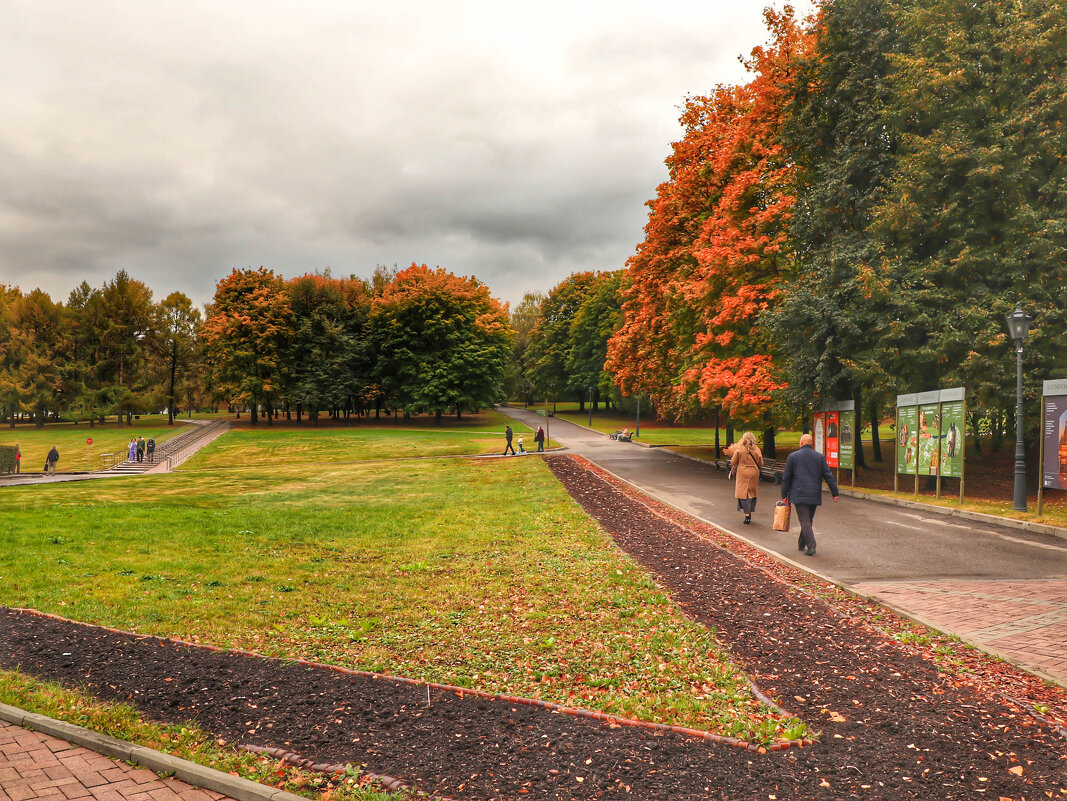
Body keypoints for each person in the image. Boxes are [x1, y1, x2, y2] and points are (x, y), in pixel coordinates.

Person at [780, 433, 839, 556]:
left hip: (799, 493)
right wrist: (835, 492)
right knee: (808, 519)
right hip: (814, 494)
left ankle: (811, 546)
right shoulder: (820, 457)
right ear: (811, 443)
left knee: (804, 519)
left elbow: (786, 477)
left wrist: (784, 494)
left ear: (801, 443)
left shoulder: (793, 457)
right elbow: (828, 475)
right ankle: (802, 543)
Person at [730, 431, 763, 525]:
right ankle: (750, 512)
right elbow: (761, 463)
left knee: (743, 493)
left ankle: (747, 514)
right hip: (754, 472)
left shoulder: (740, 449)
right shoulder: (757, 449)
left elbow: (733, 461)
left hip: (743, 472)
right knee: (751, 493)